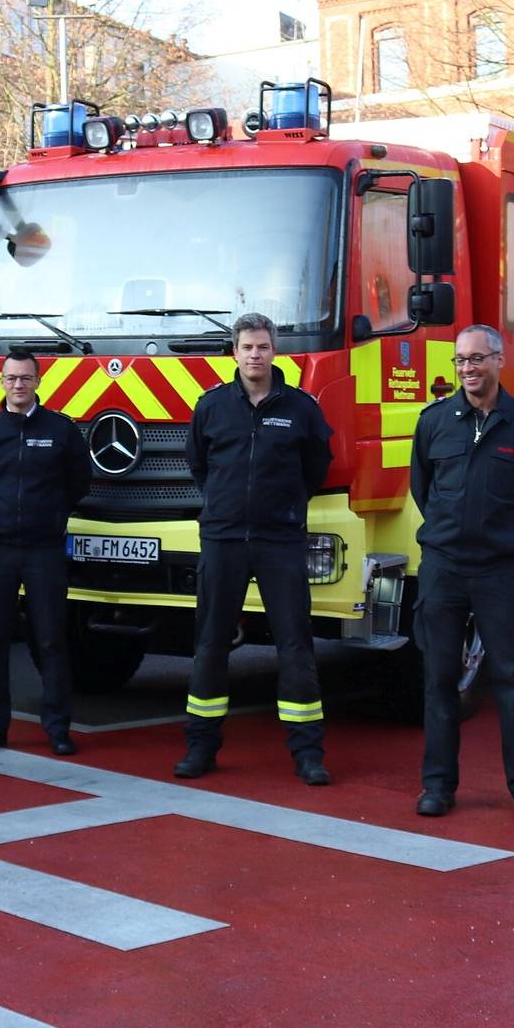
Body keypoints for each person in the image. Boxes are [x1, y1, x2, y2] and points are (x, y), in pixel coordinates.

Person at [177, 313, 336, 785]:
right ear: (235, 352)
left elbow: (316, 469)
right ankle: (200, 749)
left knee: (295, 647)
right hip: (223, 539)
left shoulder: (303, 408)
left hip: (280, 540)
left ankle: (308, 754)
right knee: (210, 645)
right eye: (247, 347)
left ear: (274, 352)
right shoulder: (211, 407)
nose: (255, 355)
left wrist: (281, 509)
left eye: (263, 346)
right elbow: (199, 466)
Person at [409, 325, 514, 822]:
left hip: (496, 570)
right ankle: (438, 786)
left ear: (499, 361)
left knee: (512, 678)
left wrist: (507, 536)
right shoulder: (434, 422)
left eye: (477, 359)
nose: (468, 369)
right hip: (444, 569)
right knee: (440, 679)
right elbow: (421, 488)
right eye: (460, 361)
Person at [0, 348, 92, 756]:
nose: (18, 385)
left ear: (38, 382)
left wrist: (48, 516)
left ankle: (58, 728)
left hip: (43, 550)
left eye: (26, 378)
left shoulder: (61, 430)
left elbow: (78, 483)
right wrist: (0, 516)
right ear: (2, 383)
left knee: (51, 639)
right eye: (11, 379)